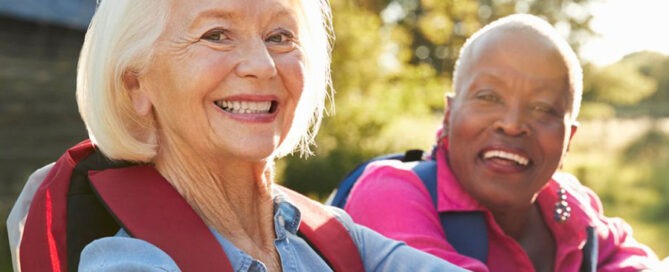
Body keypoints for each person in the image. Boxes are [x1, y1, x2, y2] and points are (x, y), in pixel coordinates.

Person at [6, 0, 468, 271]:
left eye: (281, 37)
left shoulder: (333, 238)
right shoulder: (126, 262)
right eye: (217, 35)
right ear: (136, 84)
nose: (263, 66)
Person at [344, 14, 661, 272]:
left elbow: (631, 256)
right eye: (488, 97)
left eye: (542, 108)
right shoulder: (391, 192)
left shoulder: (571, 207)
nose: (512, 124)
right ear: (449, 116)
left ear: (569, 141)